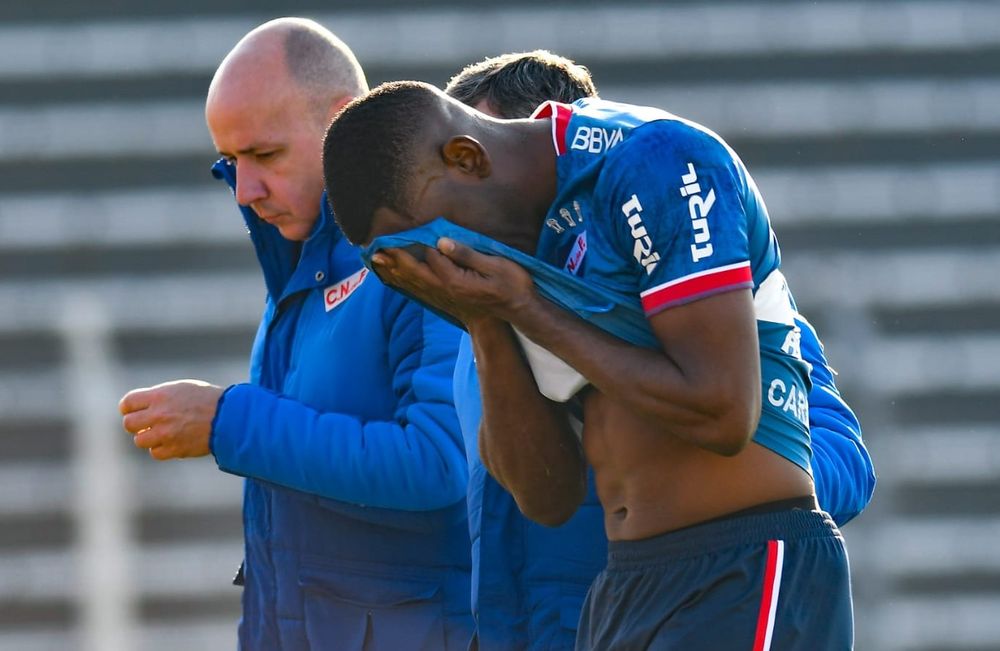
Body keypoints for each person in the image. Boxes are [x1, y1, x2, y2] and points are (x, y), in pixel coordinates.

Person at [322, 81, 855, 648]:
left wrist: (525, 306)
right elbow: (546, 497)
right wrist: (482, 323)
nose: (438, 258)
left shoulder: (656, 159)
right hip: (626, 583)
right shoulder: (516, 246)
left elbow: (723, 412)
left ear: (466, 157)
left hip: (745, 561)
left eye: (433, 237)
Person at [118, 19, 472, 650]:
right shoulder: (299, 259)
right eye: (229, 162)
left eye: (264, 155)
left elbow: (439, 462)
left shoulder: (421, 249)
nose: (244, 191)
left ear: (343, 121)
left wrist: (229, 422)